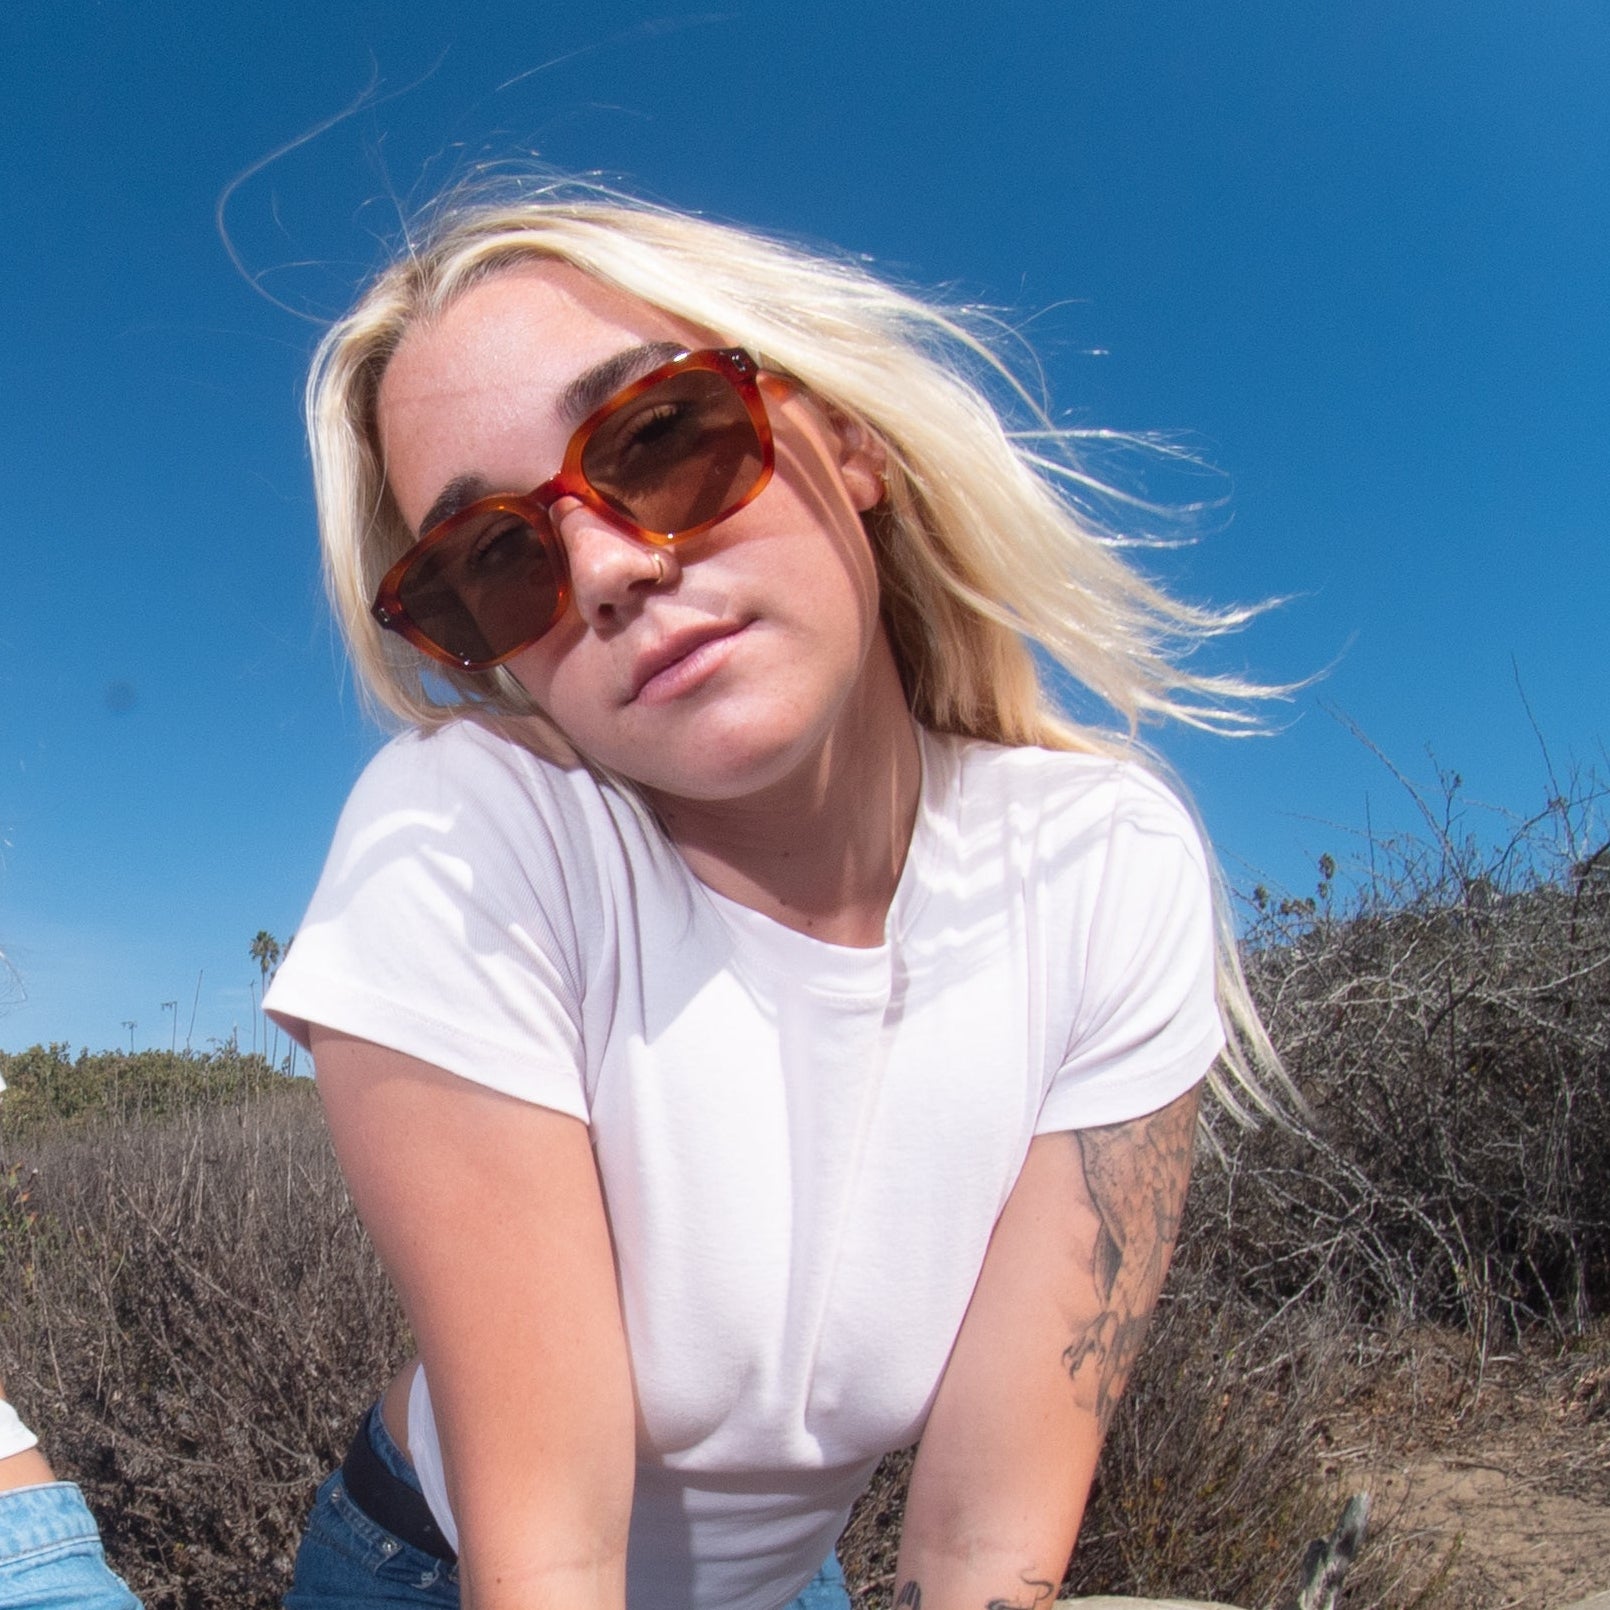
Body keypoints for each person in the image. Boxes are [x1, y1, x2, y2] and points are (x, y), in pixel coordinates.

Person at [259, 180, 1287, 1610]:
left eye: (659, 437)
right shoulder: (468, 841)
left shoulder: (1102, 868)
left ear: (847, 436)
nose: (608, 567)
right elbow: (548, 1557)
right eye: (496, 560)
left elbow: (985, 1555)